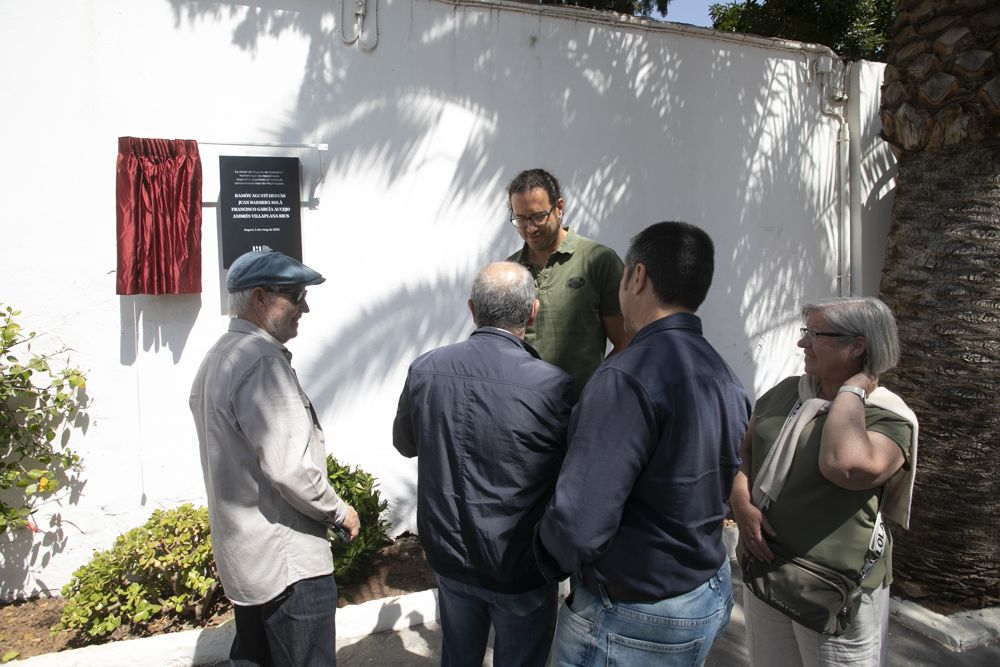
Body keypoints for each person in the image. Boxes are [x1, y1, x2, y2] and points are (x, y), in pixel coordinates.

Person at [537, 221, 751, 666]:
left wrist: (542, 556)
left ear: (637, 277)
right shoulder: (723, 374)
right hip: (703, 591)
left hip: (634, 614)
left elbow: (580, 523)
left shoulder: (626, 377)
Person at [393, 261, 574, 667]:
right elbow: (572, 480)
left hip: (450, 557)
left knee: (458, 656)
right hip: (519, 565)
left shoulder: (426, 368)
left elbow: (405, 444)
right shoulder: (553, 387)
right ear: (532, 312)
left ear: (472, 309)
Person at [190, 249, 360, 667]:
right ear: (260, 298)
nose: (305, 306)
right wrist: (339, 512)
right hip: (288, 565)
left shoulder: (218, 355)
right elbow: (291, 470)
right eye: (295, 295)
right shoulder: (262, 361)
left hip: (249, 560)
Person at [730, 297, 918, 667]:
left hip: (833, 590)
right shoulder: (787, 392)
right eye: (806, 332)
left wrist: (852, 390)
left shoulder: (888, 417)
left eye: (815, 334)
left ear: (857, 345)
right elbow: (744, 453)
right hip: (769, 570)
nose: (803, 343)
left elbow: (843, 466)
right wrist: (740, 502)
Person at [506, 168, 628, 397]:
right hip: (523, 410)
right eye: (520, 218)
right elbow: (503, 346)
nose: (530, 228)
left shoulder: (598, 261)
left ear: (559, 207)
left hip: (581, 410)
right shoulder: (510, 270)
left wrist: (595, 391)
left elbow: (626, 341)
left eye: (538, 216)